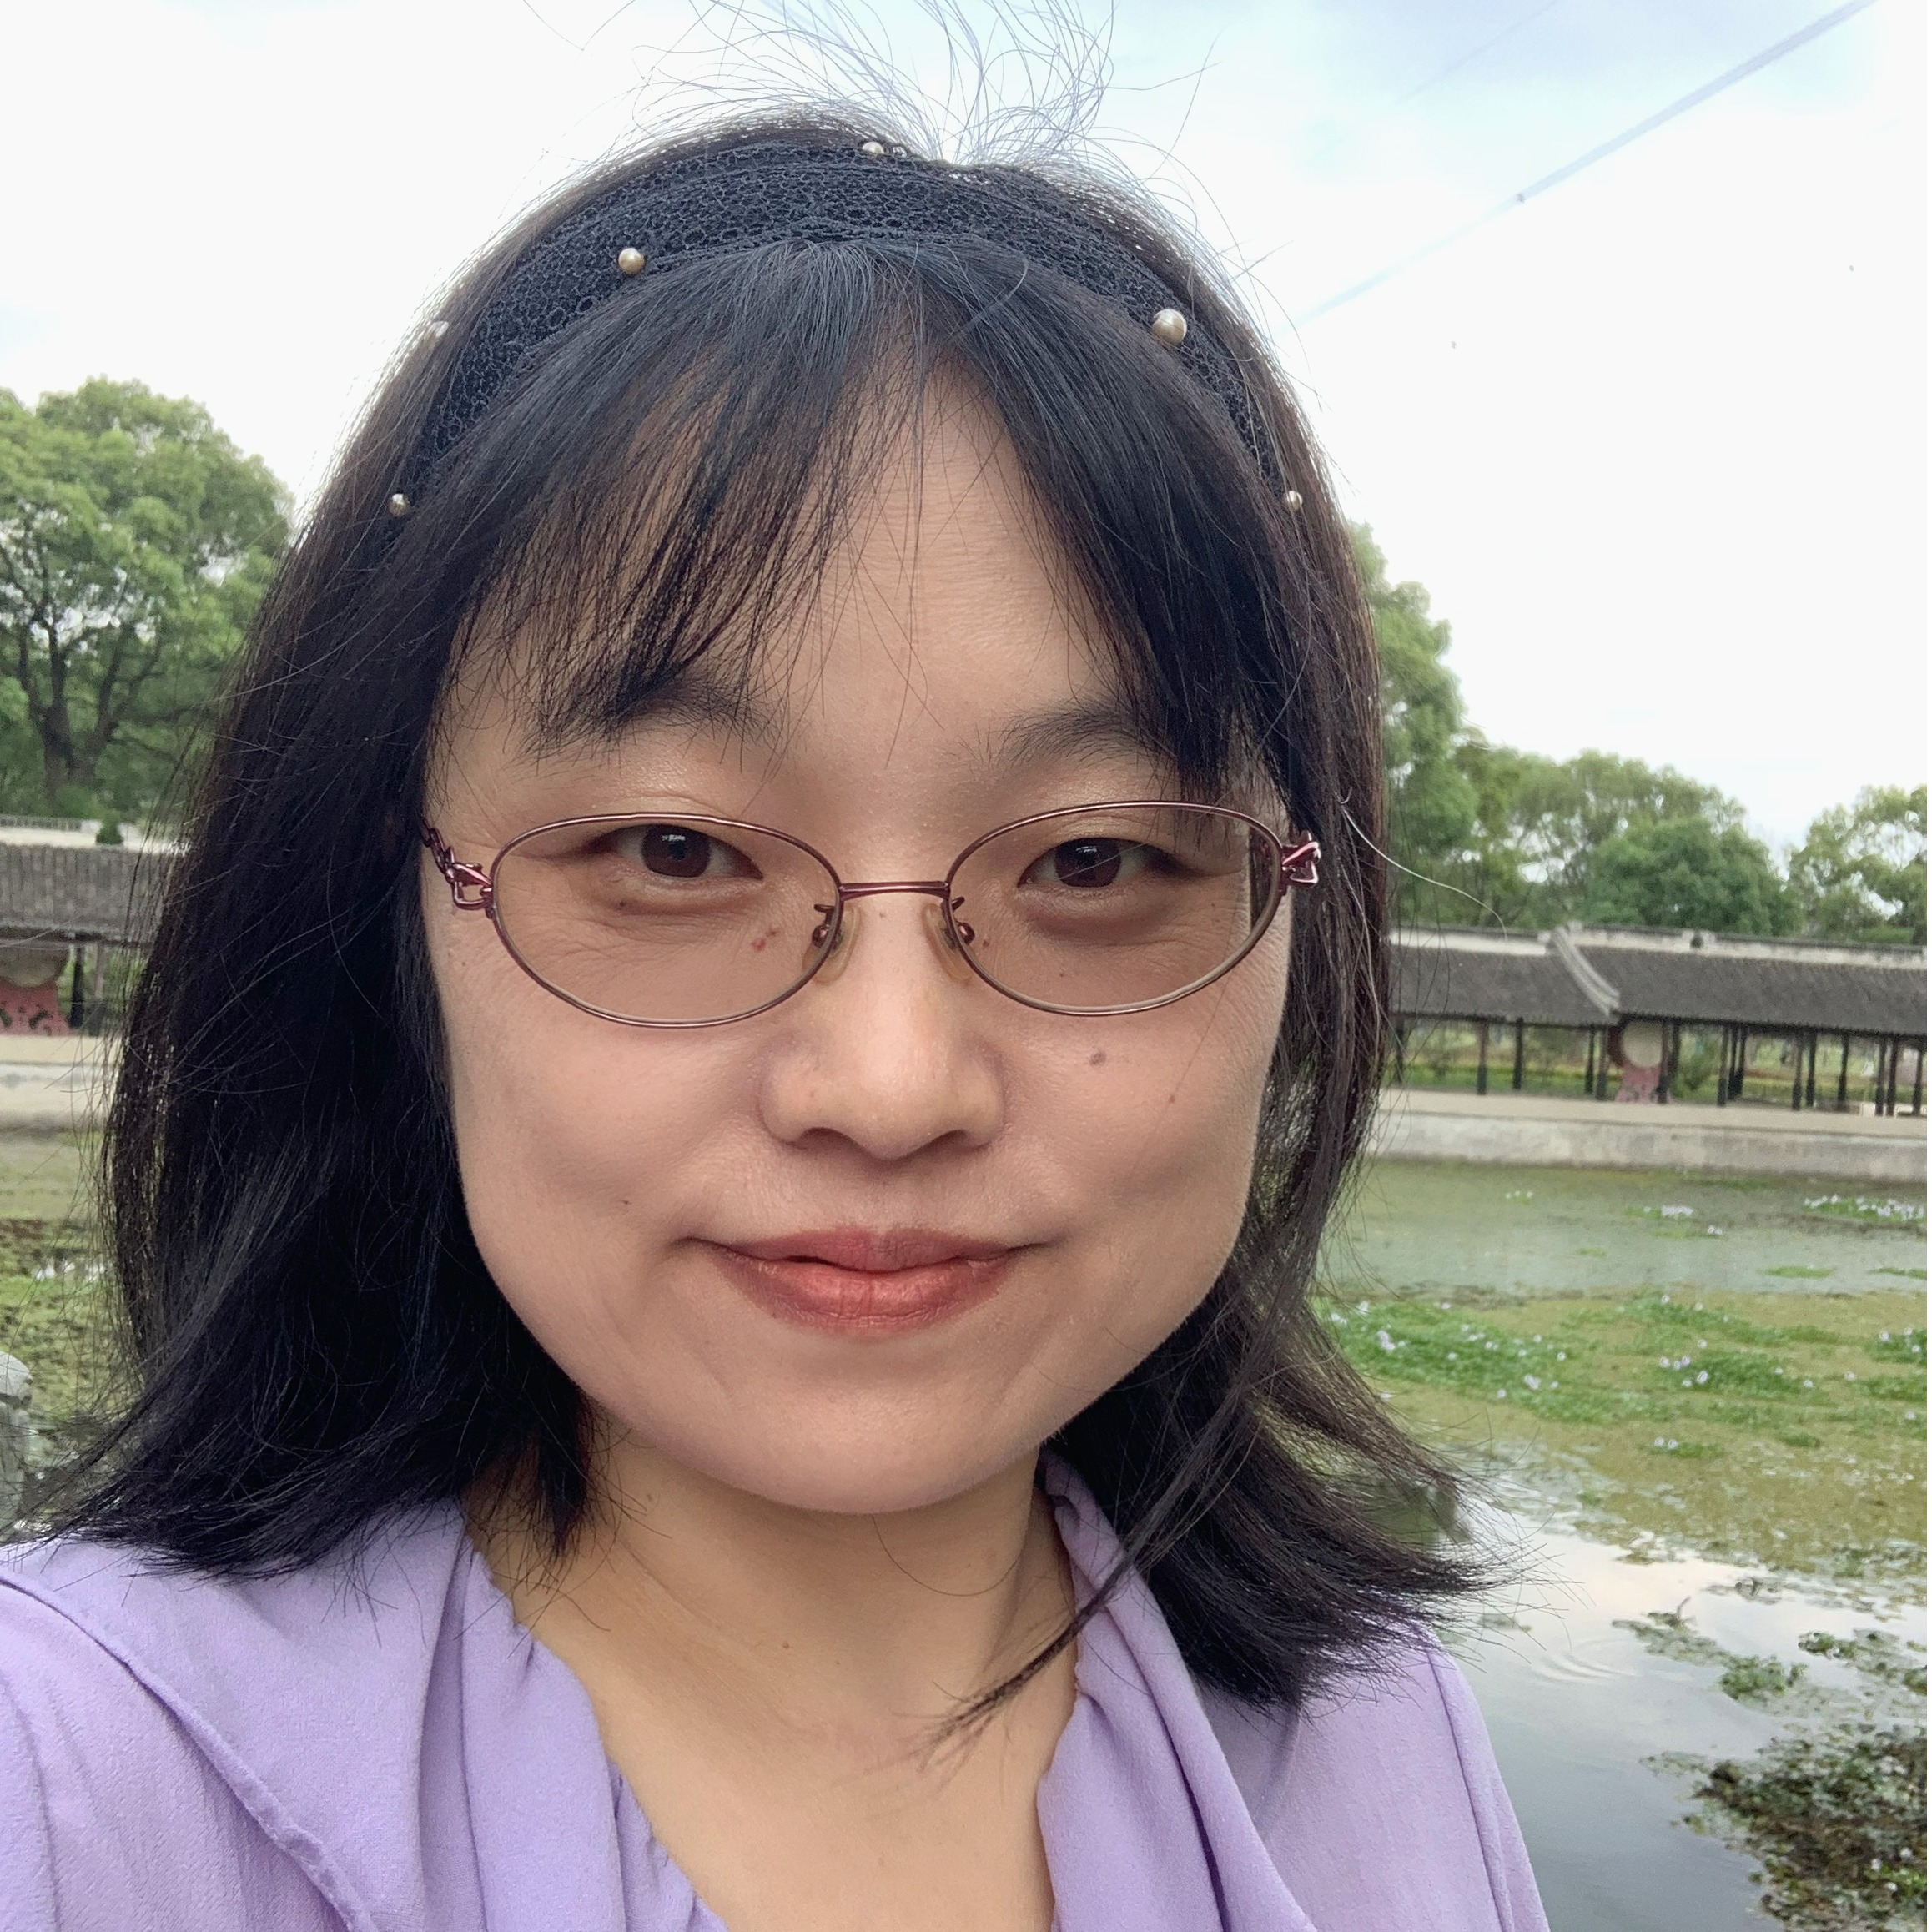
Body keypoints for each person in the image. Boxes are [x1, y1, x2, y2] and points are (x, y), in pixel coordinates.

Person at [0, 110, 1548, 1932]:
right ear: (386, 915)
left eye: (1098, 859)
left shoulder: (1378, 1731)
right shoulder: (71, 1794)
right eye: (673, 851)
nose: (889, 1086)